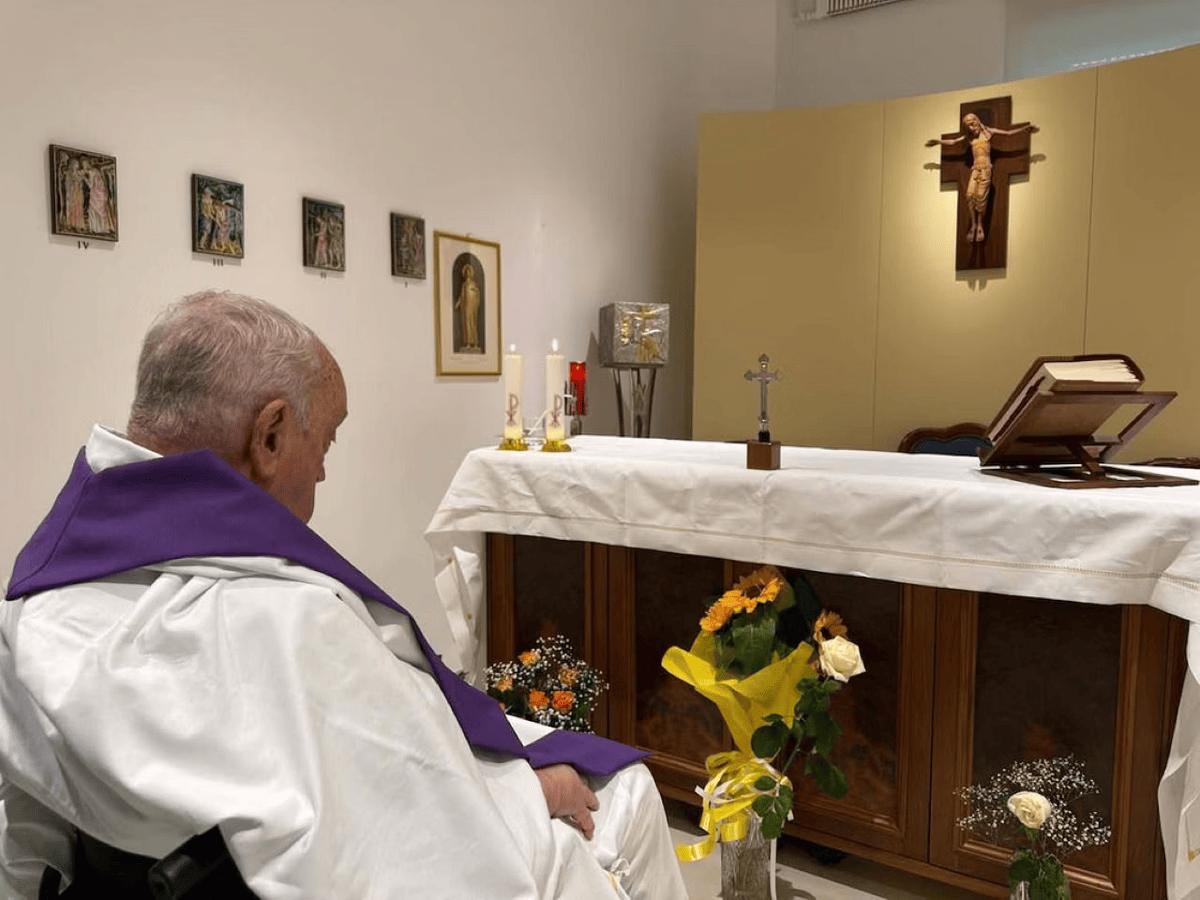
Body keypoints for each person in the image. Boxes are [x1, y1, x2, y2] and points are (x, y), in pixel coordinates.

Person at [0, 291, 685, 899]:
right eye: (325, 440)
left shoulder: (39, 597)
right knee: (626, 793)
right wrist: (527, 790)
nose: (324, 471)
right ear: (268, 437)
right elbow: (408, 827)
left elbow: (35, 820)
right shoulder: (288, 622)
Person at [925, 112, 1039, 243]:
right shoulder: (969, 138)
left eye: (973, 124)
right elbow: (953, 142)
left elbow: (1008, 133)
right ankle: (973, 224)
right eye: (968, 127)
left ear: (977, 121)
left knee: (980, 198)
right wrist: (938, 142)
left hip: (986, 169)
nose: (972, 128)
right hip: (975, 169)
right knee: (969, 196)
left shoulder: (988, 133)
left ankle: (980, 225)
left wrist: (1025, 129)